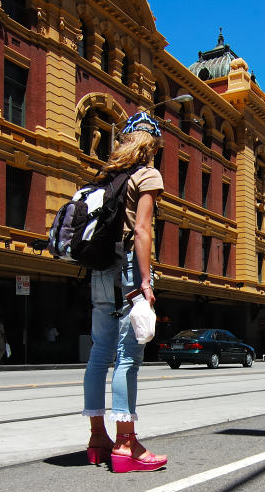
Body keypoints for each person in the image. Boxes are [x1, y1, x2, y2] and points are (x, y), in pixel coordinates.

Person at [82, 111, 167, 473]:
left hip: (99, 270)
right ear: (151, 145)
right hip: (129, 269)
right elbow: (143, 231)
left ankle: (97, 438)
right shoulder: (147, 174)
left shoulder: (106, 178)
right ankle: (126, 444)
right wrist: (145, 282)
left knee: (99, 353)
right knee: (127, 357)